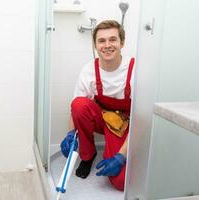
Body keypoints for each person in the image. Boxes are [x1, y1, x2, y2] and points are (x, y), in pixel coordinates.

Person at [60, 20, 135, 191]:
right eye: (101, 41)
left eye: (113, 39)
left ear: (122, 43)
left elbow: (143, 121)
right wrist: (71, 133)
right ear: (95, 45)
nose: (107, 45)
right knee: (79, 104)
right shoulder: (89, 70)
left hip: (129, 126)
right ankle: (88, 155)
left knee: (121, 182)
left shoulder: (136, 69)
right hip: (103, 120)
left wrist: (121, 157)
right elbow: (76, 108)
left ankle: (120, 154)